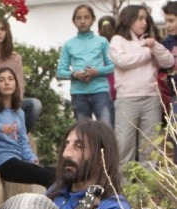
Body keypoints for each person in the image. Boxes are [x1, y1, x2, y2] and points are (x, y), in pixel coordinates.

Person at [110, 4, 175, 168]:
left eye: (145, 18)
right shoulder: (118, 40)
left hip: (152, 99)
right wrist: (148, 52)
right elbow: (123, 61)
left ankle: (148, 192)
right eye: (140, 18)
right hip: (127, 100)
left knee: (150, 148)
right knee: (124, 147)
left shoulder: (150, 41)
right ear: (128, 19)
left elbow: (169, 61)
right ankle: (123, 190)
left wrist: (154, 47)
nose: (144, 22)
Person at [0, 67, 57, 188]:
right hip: (2, 162)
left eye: (10, 79)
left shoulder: (19, 113)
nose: (7, 82)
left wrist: (32, 158)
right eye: (1, 80)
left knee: (57, 173)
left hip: (17, 160)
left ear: (16, 84)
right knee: (49, 177)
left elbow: (23, 141)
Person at [57, 4, 116, 126]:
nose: (82, 21)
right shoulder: (69, 45)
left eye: (86, 17)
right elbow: (60, 71)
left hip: (101, 92)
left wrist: (97, 72)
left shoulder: (102, 42)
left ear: (93, 19)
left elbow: (113, 66)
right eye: (78, 18)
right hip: (79, 94)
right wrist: (74, 74)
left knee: (107, 130)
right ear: (74, 21)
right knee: (84, 134)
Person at [161, 2, 177, 162]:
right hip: (174, 96)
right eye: (166, 21)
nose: (168, 25)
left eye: (171, 20)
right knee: (174, 134)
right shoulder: (167, 43)